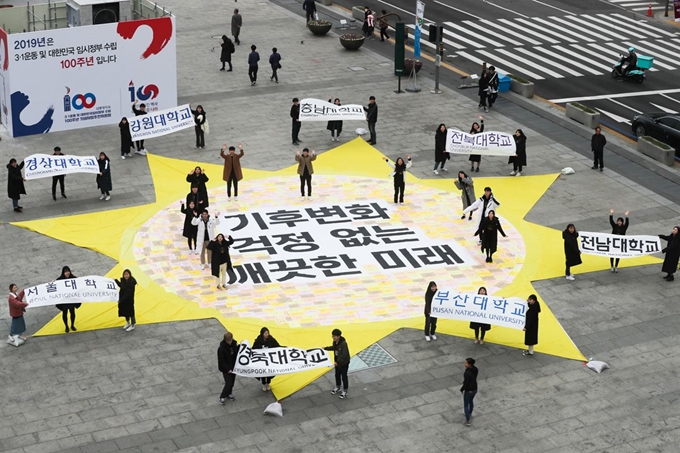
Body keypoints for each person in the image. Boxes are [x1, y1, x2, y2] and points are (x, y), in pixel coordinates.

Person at [324, 328, 350, 399]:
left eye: (334, 336)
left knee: (344, 376)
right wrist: (326, 348)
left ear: (338, 336)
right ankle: (338, 387)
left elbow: (344, 355)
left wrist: (338, 362)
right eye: (332, 336)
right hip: (337, 363)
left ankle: (345, 390)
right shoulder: (335, 342)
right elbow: (334, 348)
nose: (333, 337)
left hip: (343, 363)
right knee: (337, 375)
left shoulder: (343, 344)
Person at [253, 327, 281, 391]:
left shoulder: (271, 339)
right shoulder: (258, 340)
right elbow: (254, 348)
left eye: (268, 333)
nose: (267, 334)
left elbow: (277, 346)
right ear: (262, 334)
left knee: (269, 372)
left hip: (269, 359)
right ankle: (263, 384)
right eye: (265, 333)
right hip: (262, 359)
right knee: (263, 372)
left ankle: (268, 383)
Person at [56, 266, 80, 333]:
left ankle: (72, 325)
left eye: (68, 271)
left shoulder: (73, 278)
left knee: (72, 312)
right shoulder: (59, 279)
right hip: (64, 300)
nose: (67, 273)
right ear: (63, 272)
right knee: (65, 313)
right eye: (66, 272)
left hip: (71, 299)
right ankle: (66, 326)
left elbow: (80, 282)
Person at [461, 357, 478, 426]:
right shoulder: (475, 369)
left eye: (466, 363)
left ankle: (468, 420)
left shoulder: (467, 373)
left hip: (469, 390)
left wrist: (462, 389)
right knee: (471, 401)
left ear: (470, 364)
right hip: (475, 388)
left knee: (466, 405)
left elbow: (466, 383)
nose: (464, 364)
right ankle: (470, 413)